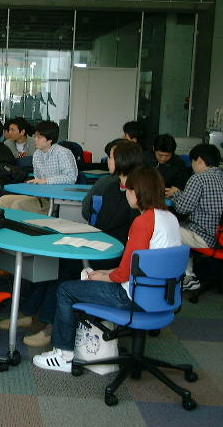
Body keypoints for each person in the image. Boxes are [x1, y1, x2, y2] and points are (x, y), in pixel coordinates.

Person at [33, 165, 181, 372]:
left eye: (128, 189)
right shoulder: (169, 218)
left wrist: (105, 277)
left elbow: (126, 272)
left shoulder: (143, 222)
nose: (125, 193)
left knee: (66, 290)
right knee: (93, 277)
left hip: (134, 297)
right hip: (163, 295)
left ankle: (64, 356)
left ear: (137, 193)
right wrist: (108, 272)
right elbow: (142, 265)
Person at [1, 140, 144, 346]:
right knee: (55, 261)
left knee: (64, 268)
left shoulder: (127, 190)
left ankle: (50, 327)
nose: (108, 161)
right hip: (99, 242)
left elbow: (93, 214)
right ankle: (30, 313)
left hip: (113, 252)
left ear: (123, 160)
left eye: (111, 157)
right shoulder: (113, 184)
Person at [166, 143, 223, 291]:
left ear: (200, 160)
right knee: (183, 228)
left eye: (192, 161)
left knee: (167, 230)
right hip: (219, 236)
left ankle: (188, 276)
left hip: (206, 237)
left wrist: (175, 194)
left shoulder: (198, 179)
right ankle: (188, 272)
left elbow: (183, 208)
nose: (192, 166)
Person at [0, 120, 77, 214]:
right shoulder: (37, 154)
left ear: (49, 140)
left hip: (56, 200)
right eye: (35, 136)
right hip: (40, 196)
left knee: (18, 205)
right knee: (3, 200)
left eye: (39, 137)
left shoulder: (63, 153)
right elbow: (38, 179)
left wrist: (46, 181)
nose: (35, 139)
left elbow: (71, 178)